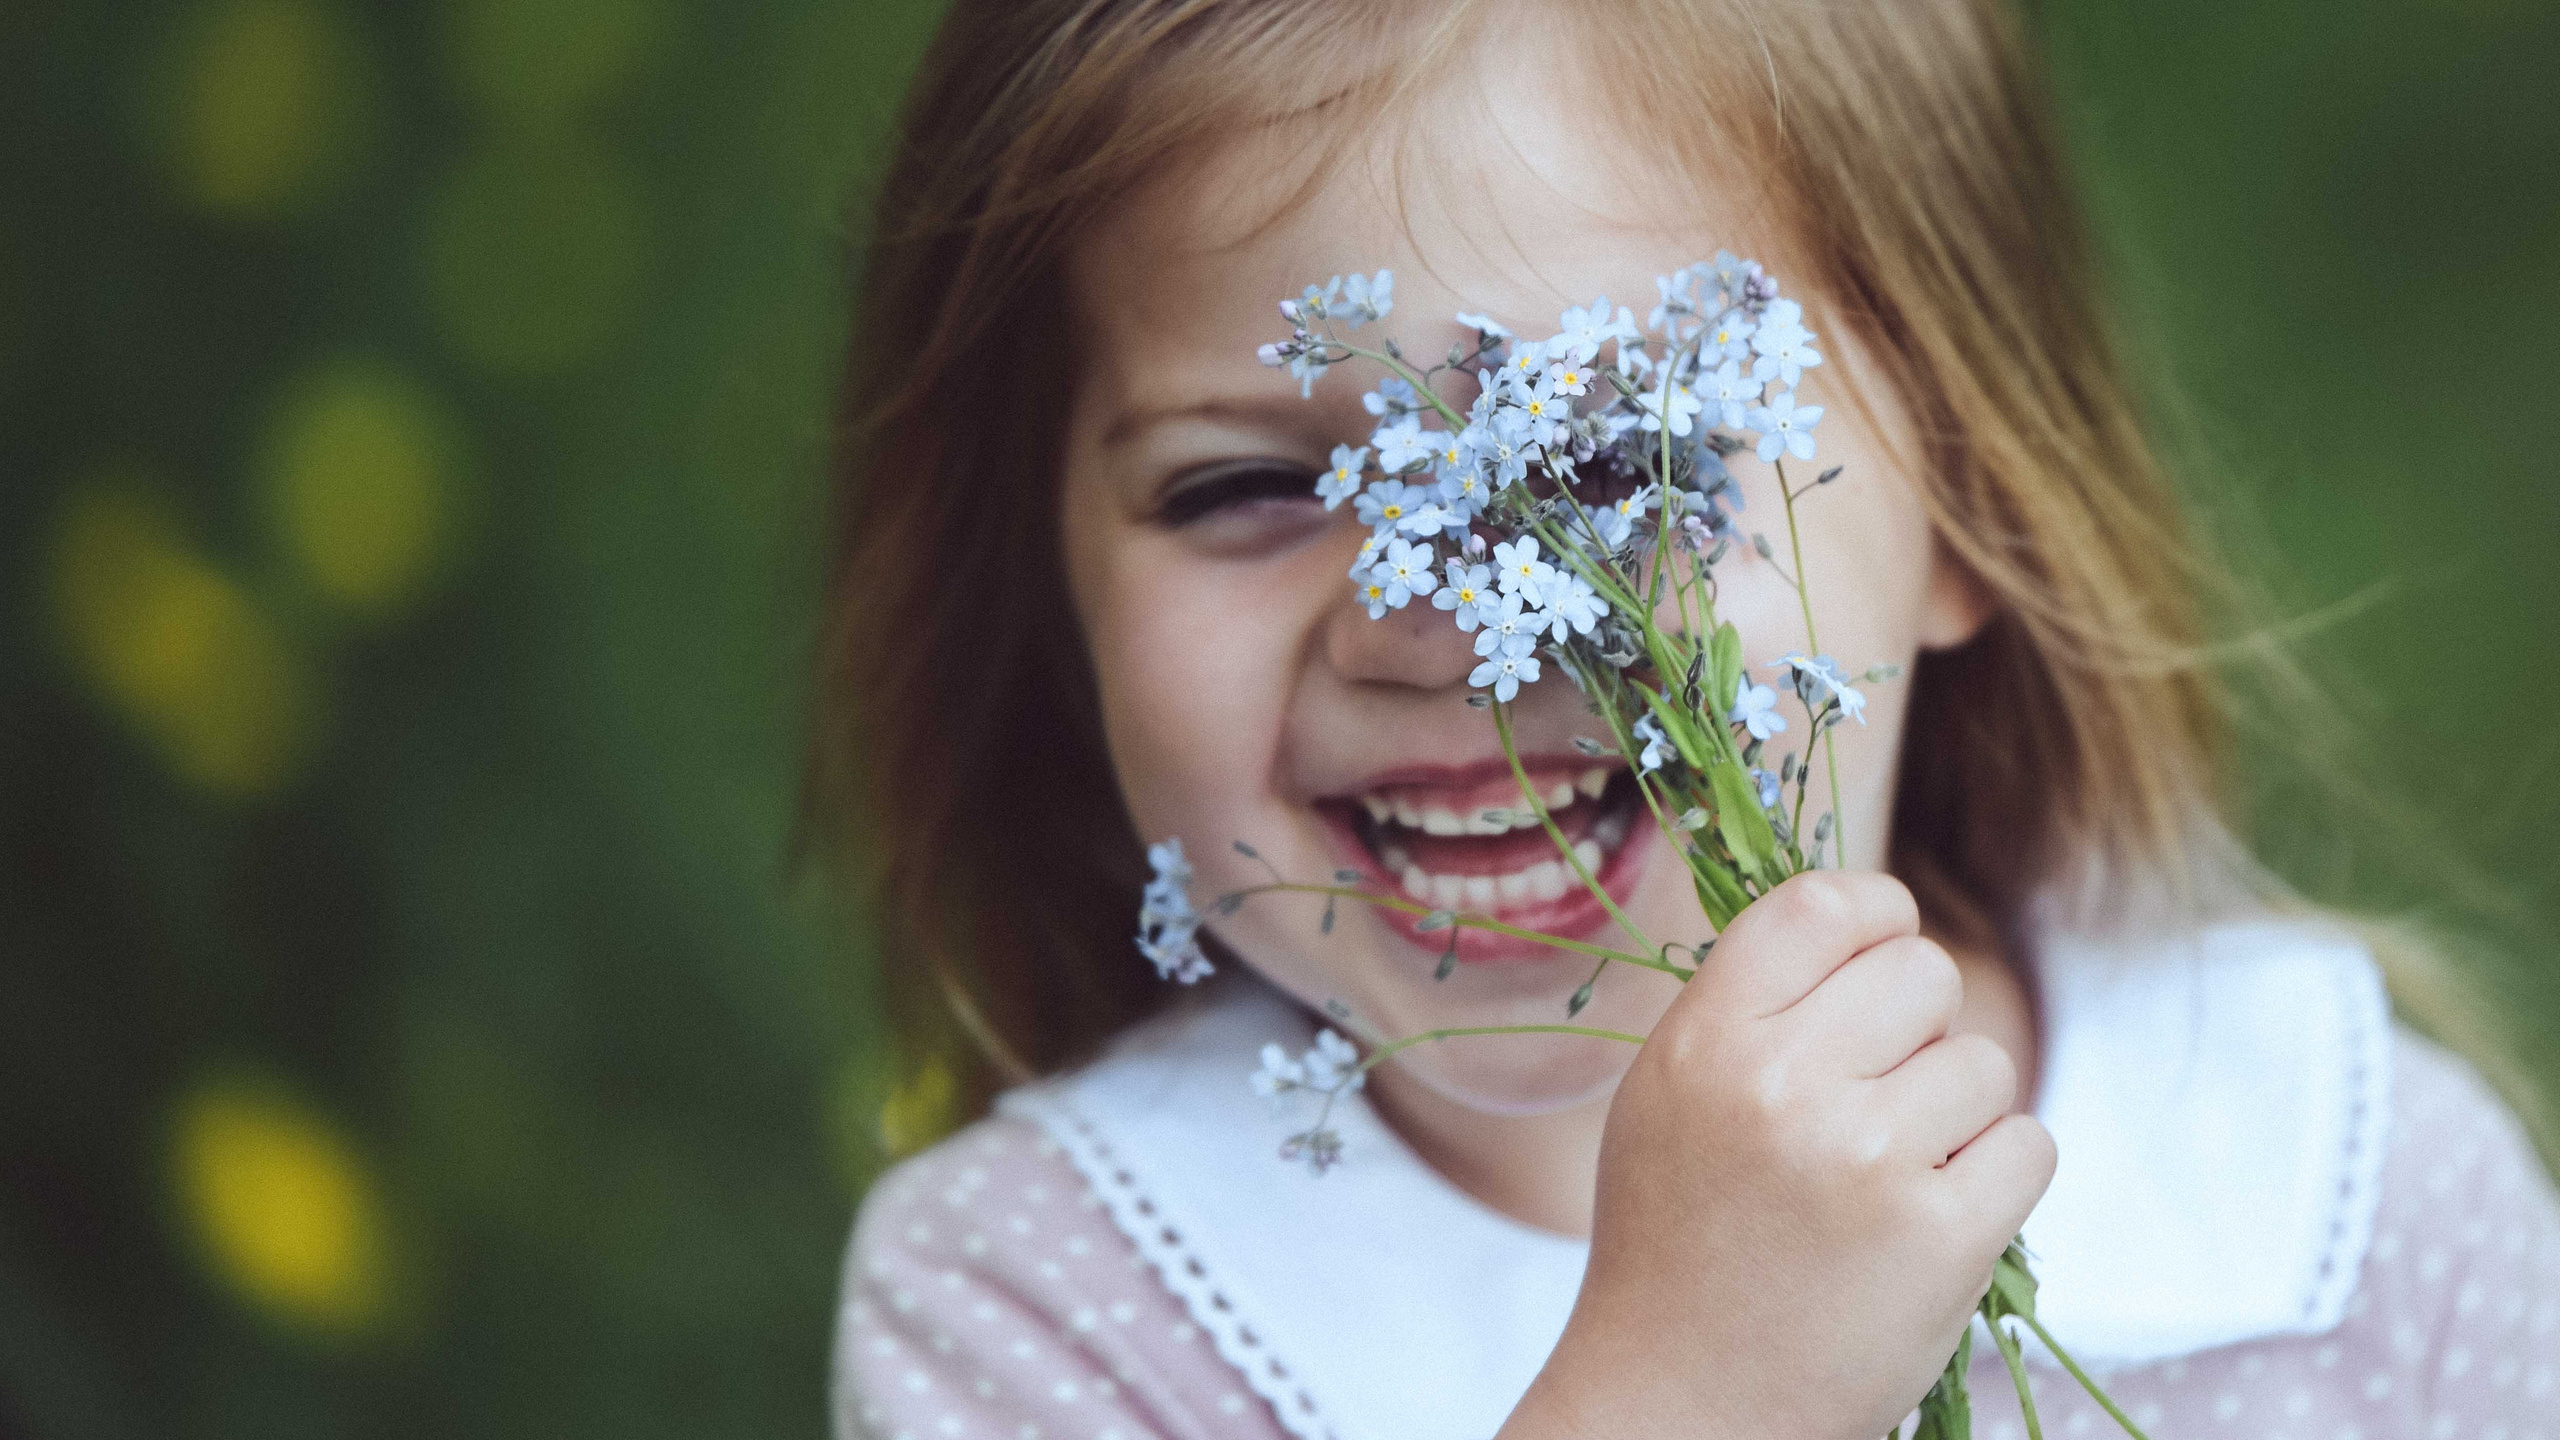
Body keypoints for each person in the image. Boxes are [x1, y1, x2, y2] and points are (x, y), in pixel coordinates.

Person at [808, 2, 2560, 1436]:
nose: (1430, 621)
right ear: (1048, 573)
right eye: (1251, 486)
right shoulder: (1053, 1304)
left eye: (1600, 467)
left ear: (1973, 506)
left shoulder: (2352, 1198)